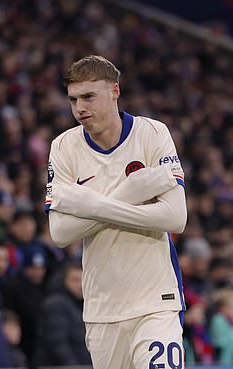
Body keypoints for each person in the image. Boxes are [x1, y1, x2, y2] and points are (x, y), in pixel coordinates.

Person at [45, 55, 187, 369]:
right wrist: (131, 192)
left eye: (88, 97)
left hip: (156, 302)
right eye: (73, 100)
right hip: (101, 309)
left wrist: (91, 206)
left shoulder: (152, 134)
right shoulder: (63, 147)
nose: (79, 108)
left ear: (114, 92)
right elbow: (60, 234)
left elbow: (176, 218)